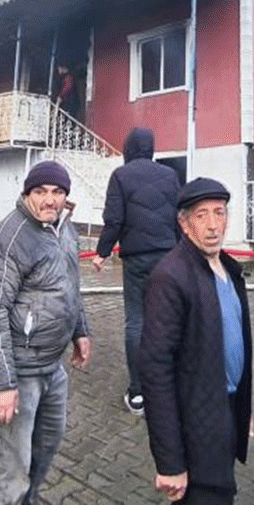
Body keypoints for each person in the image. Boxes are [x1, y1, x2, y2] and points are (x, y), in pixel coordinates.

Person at [0, 160, 91, 505]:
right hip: (17, 372)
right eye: (40, 192)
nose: (49, 200)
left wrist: (80, 331)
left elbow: (71, 284)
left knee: (47, 446)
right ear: (27, 194)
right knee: (10, 467)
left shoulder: (65, 229)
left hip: (52, 366)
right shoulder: (8, 239)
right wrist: (2, 385)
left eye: (57, 192)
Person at [139, 178, 253, 504]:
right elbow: (154, 370)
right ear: (184, 223)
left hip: (225, 411)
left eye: (219, 213)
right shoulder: (170, 277)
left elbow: (233, 344)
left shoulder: (228, 269)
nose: (213, 225)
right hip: (196, 423)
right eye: (201, 215)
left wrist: (242, 409)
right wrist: (170, 462)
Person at [92, 127, 181, 414]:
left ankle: (139, 393)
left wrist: (102, 253)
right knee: (167, 319)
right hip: (168, 257)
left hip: (137, 261)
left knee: (137, 322)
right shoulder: (169, 175)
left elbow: (114, 220)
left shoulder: (120, 176)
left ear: (128, 148)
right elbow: (180, 218)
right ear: (151, 148)